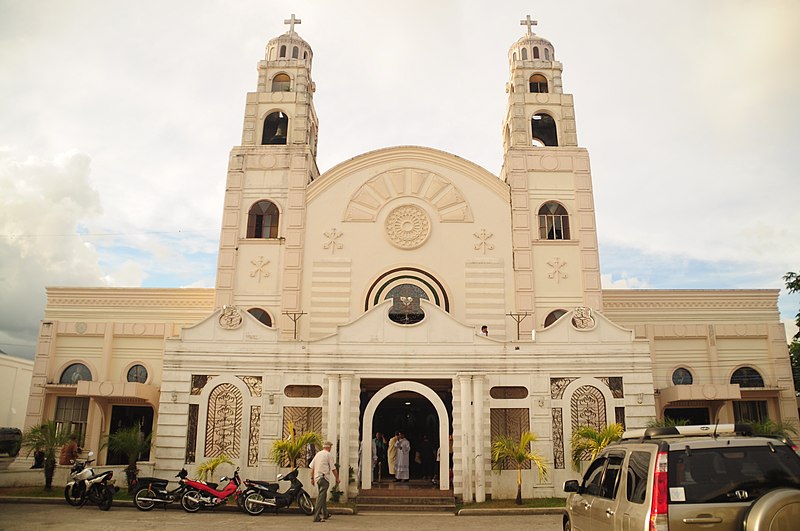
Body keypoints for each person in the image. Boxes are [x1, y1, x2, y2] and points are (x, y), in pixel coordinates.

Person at [309, 441, 339, 523]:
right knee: (321, 497)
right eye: (331, 447)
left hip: (317, 478)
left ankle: (325, 513)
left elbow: (312, 467)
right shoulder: (328, 455)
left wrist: (312, 478)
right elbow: (333, 468)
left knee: (323, 496)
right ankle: (316, 516)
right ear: (329, 447)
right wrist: (337, 478)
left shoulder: (318, 454)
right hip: (324, 478)